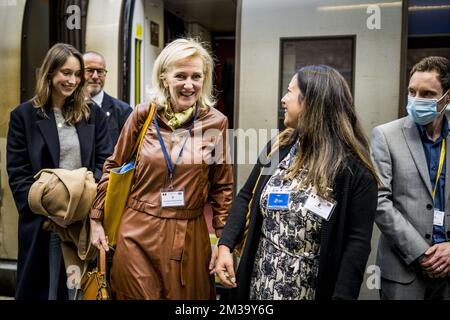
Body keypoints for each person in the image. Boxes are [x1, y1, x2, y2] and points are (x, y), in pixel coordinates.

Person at [212, 65, 379, 300]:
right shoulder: (278, 147)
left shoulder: (354, 172)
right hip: (258, 287)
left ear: (311, 102)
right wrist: (225, 246)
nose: (283, 99)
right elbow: (246, 197)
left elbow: (357, 246)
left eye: (290, 92)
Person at [89, 38, 233, 299]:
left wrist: (225, 244)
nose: (189, 85)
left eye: (196, 77)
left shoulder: (217, 123)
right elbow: (114, 166)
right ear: (164, 78)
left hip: (189, 235)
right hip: (137, 230)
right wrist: (96, 218)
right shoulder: (143, 115)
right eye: (180, 76)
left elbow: (223, 188)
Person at [6, 43, 113, 300]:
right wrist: (50, 212)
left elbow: (105, 162)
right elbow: (18, 173)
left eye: (78, 74)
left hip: (81, 222)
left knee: (77, 290)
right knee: (43, 289)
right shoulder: (24, 116)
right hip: (42, 224)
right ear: (50, 73)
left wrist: (84, 204)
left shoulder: (92, 114)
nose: (73, 80)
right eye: (66, 73)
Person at [371, 56, 450, 300]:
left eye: (427, 94)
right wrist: (422, 253)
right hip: (404, 271)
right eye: (412, 91)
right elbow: (379, 200)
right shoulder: (385, 136)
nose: (416, 100)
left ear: (446, 98)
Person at [83, 51, 132, 146]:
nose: (95, 76)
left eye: (100, 71)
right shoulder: (67, 108)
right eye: (89, 70)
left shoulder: (123, 111)